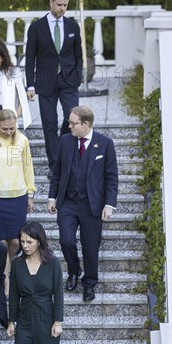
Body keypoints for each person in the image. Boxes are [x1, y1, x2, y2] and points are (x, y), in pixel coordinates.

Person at [48, 105, 118, 302]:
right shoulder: (66, 141)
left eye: (73, 123)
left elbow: (111, 177)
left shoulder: (105, 144)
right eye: (69, 122)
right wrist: (52, 197)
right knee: (66, 240)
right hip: (68, 202)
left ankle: (89, 283)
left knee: (90, 246)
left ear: (86, 124)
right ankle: (73, 270)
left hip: (92, 205)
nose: (69, 126)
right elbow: (57, 171)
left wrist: (109, 204)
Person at [0, 109, 36, 296]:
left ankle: (11, 267)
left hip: (18, 196)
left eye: (12, 128)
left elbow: (28, 168)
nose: (9, 132)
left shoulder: (23, 141)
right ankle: (6, 278)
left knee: (16, 241)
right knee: (1, 240)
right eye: (5, 129)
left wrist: (30, 194)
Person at [25, 0, 82, 176]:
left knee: (71, 117)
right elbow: (30, 57)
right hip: (45, 81)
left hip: (68, 81)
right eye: (59, 4)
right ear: (51, 3)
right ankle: (55, 166)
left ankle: (64, 156)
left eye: (65, 5)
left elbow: (78, 55)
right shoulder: (36, 27)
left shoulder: (73, 26)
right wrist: (30, 84)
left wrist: (77, 76)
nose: (63, 8)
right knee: (49, 124)